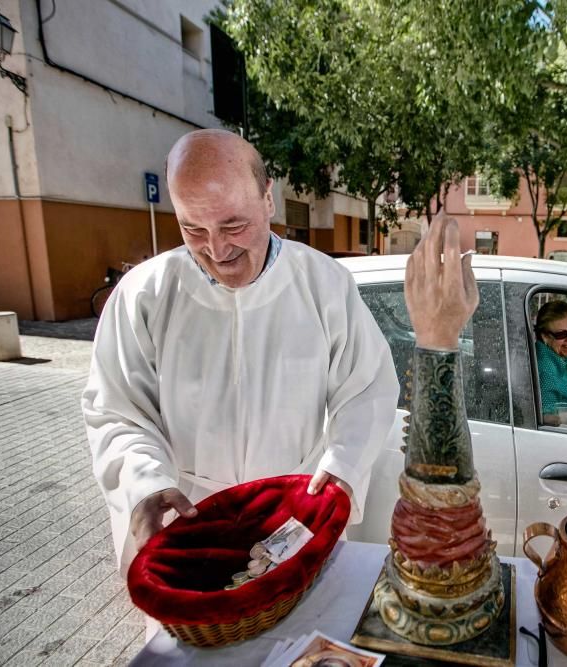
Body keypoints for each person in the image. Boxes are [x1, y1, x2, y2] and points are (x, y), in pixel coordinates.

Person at [81, 129, 399, 576]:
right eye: (193, 228)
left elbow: (365, 389)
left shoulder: (324, 284)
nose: (217, 249)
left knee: (303, 640)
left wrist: (342, 470)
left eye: (234, 225)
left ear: (268, 199)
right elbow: (117, 412)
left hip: (296, 520)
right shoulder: (143, 296)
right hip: (189, 525)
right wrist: (145, 484)